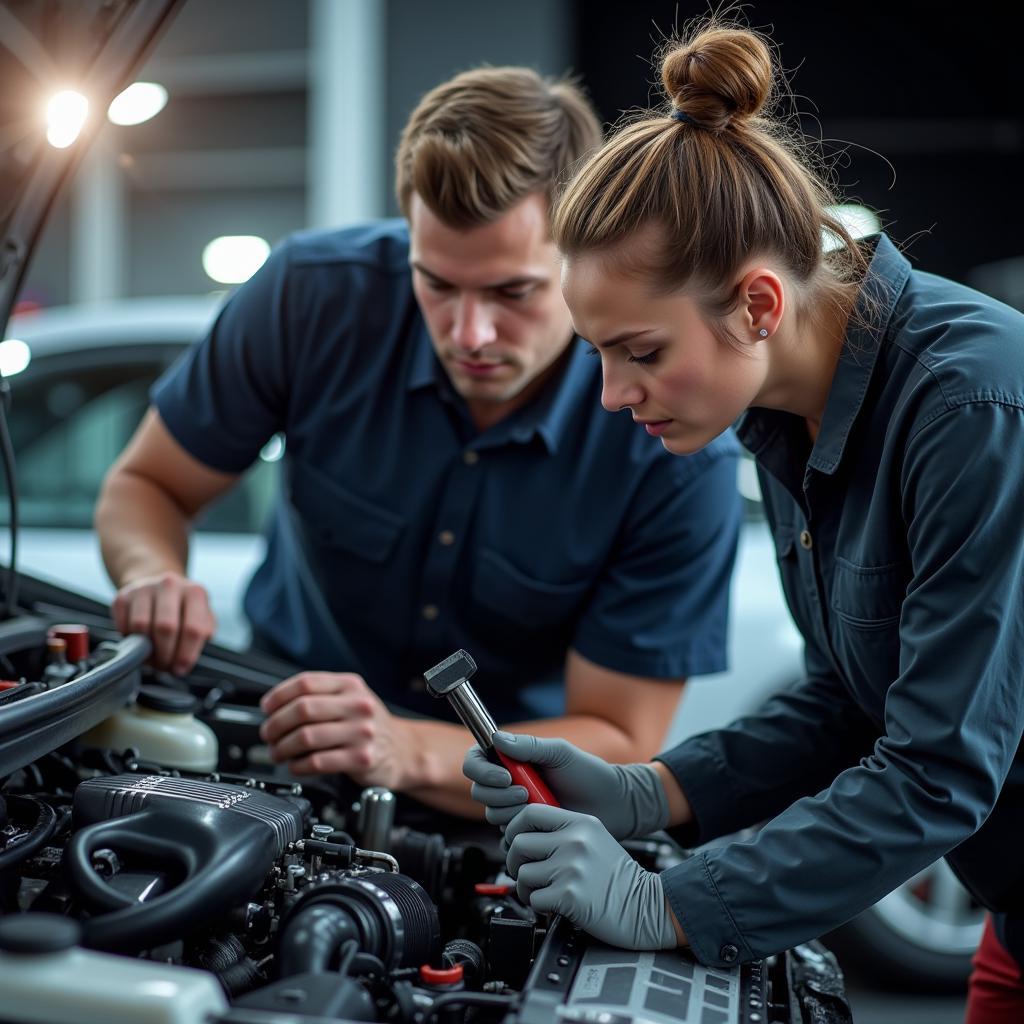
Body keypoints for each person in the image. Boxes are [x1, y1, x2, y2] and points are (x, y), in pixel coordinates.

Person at [462, 20, 1024, 1017]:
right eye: (596, 353)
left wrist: (663, 900)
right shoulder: (782, 413)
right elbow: (853, 705)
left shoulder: (972, 406)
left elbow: (936, 769)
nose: (611, 394)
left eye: (637, 350)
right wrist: (649, 791)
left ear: (758, 304)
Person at [94, 66, 742, 819]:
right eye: (436, 283)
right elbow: (146, 487)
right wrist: (153, 574)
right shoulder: (310, 297)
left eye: (512, 293)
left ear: (584, 259)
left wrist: (404, 748)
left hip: (496, 810)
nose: (469, 335)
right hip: (270, 750)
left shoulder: (666, 452)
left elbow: (621, 738)